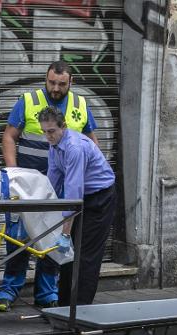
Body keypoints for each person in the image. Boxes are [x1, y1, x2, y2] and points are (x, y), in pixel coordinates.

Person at [0, 61, 99, 312]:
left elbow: (91, 140)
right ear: (46, 78)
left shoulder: (80, 105)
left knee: (52, 238)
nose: (55, 88)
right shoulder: (29, 100)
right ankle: (9, 290)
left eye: (61, 84)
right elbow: (9, 136)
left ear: (70, 83)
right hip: (29, 184)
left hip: (61, 187)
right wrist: (13, 173)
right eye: (51, 82)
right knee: (18, 236)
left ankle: (46, 293)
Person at [38, 106, 116, 306]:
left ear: (62, 127)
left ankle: (80, 311)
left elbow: (73, 194)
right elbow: (52, 181)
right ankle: (64, 308)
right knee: (68, 256)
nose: (48, 136)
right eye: (44, 131)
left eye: (52, 131)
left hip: (99, 198)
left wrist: (65, 234)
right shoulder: (54, 145)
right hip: (83, 197)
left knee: (86, 256)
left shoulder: (74, 147)